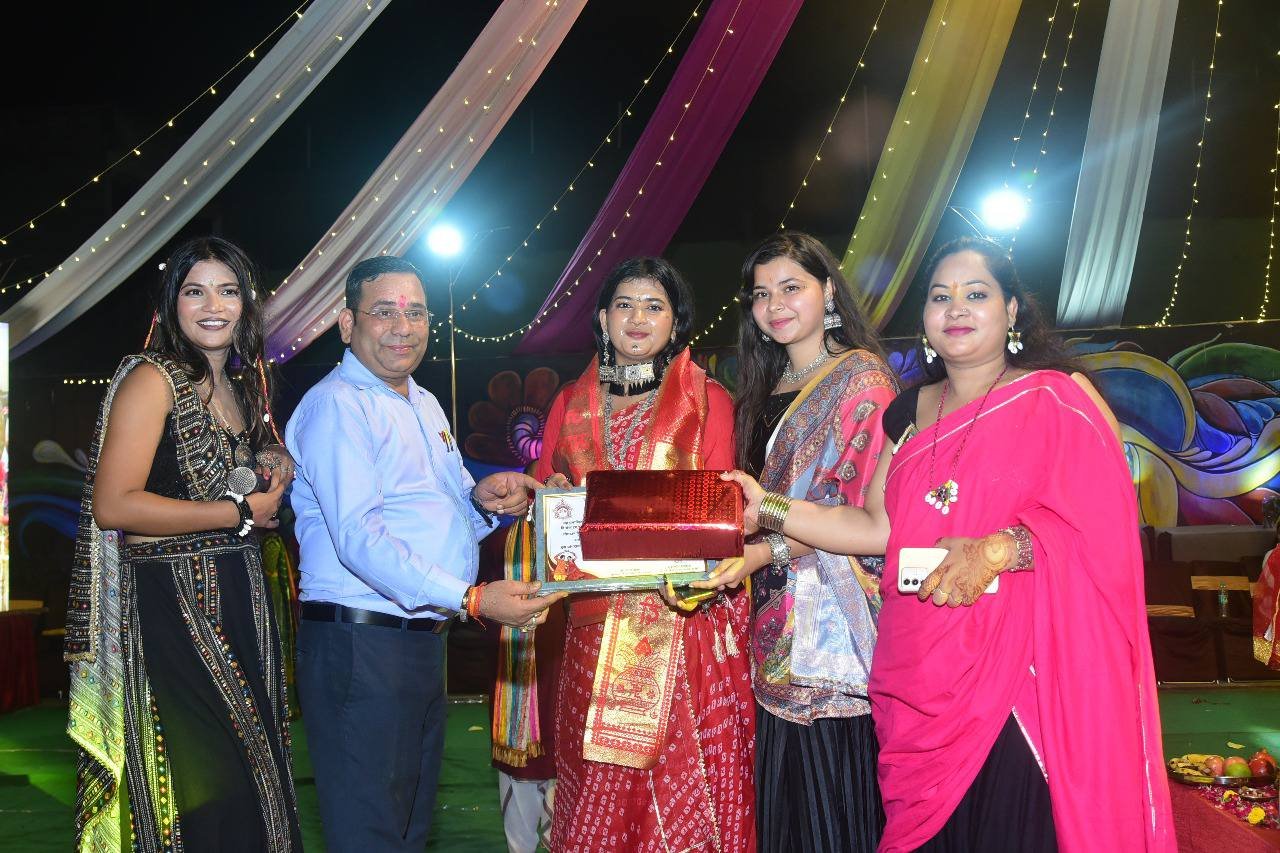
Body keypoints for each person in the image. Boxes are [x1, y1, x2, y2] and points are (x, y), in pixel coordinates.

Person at [724, 236, 1174, 852]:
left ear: (1011, 310)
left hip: (1016, 676)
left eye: (976, 294)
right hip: (916, 677)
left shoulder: (1055, 397)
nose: (956, 308)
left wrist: (999, 550)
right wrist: (767, 508)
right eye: (940, 297)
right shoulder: (907, 411)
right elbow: (874, 530)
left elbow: (1106, 530)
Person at [285, 255, 563, 852]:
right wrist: (471, 599)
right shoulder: (338, 405)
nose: (402, 327)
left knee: (407, 830)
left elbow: (435, 519)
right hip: (361, 645)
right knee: (370, 834)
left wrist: (486, 504)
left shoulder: (424, 402)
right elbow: (361, 540)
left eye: (415, 313)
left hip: (416, 641)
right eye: (384, 312)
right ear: (346, 323)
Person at [67, 236, 302, 851]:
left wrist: (270, 464)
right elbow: (114, 504)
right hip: (173, 606)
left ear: (247, 304)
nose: (213, 306)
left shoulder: (243, 388)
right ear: (172, 303)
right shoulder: (152, 379)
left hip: (241, 597)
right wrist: (237, 512)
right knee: (203, 787)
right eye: (196, 292)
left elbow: (239, 476)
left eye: (228, 291)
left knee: (258, 779)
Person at [534, 257, 755, 852]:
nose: (637, 317)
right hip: (591, 625)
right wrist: (546, 495)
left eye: (654, 306)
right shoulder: (569, 404)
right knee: (596, 789)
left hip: (683, 625)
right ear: (603, 319)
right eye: (624, 305)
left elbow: (724, 510)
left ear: (675, 323)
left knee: (681, 791)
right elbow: (546, 500)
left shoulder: (708, 400)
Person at [694, 232, 896, 851]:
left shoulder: (861, 382)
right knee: (783, 807)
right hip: (769, 614)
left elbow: (853, 517)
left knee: (828, 803)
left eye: (791, 287)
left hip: (831, 629)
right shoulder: (769, 382)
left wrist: (762, 551)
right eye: (761, 294)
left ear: (828, 291)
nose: (774, 305)